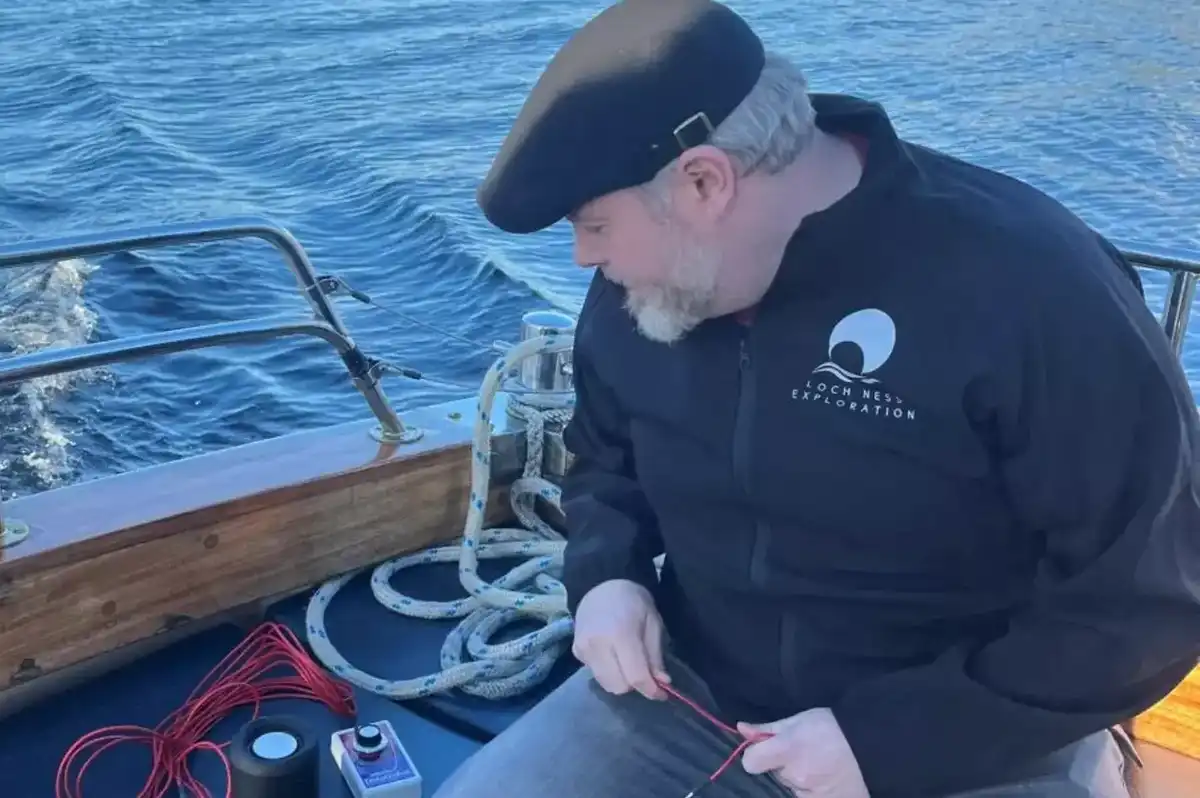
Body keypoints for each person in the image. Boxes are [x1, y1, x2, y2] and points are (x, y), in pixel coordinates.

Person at [436, 1, 1200, 796]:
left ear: (704, 181)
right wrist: (605, 578)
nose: (582, 256)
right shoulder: (643, 290)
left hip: (981, 736)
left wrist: (886, 741)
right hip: (692, 706)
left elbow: (1144, 602)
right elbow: (605, 456)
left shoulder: (1037, 290)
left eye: (594, 224)